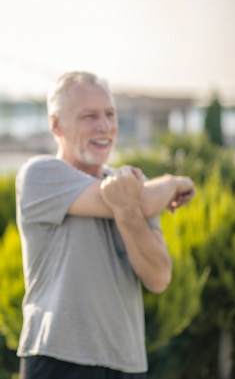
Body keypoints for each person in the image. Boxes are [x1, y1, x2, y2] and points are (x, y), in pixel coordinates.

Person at [15, 71, 196, 379]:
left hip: (127, 363)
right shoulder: (40, 175)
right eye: (89, 116)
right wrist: (175, 181)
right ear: (56, 124)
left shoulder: (132, 186)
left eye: (110, 114)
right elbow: (146, 202)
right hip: (57, 359)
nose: (104, 126)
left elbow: (159, 278)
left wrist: (129, 211)